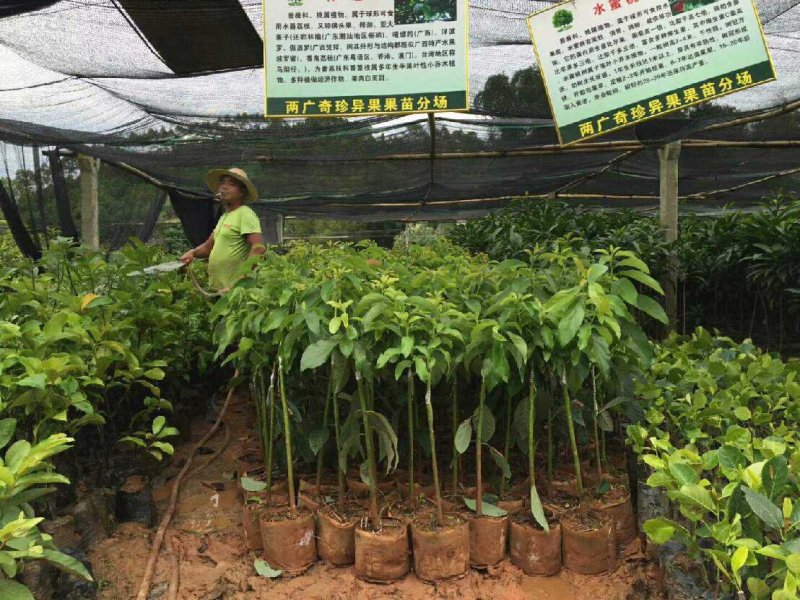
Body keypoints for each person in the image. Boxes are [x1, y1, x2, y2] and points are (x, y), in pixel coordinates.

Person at [180, 167, 266, 291]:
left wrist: (240, 281)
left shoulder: (245, 214)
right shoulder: (225, 217)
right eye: (222, 183)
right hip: (217, 289)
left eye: (231, 184)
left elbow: (258, 249)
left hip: (235, 291)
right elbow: (208, 247)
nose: (224, 187)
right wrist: (193, 253)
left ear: (242, 192)